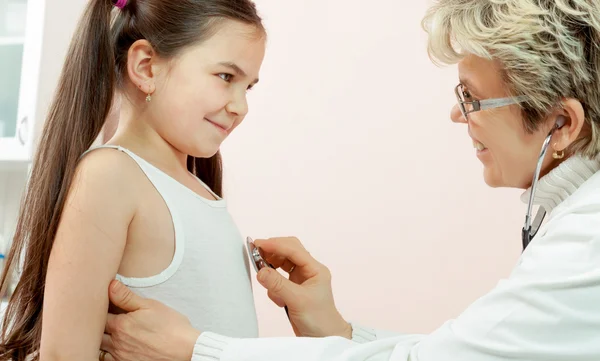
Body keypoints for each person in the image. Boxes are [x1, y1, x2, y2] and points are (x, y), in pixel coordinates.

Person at [100, 0, 600, 360]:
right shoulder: (111, 175)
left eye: (471, 97)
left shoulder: (588, 238)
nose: (456, 113)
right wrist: (334, 329)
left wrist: (196, 350)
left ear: (563, 124)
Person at [0, 0, 266, 360]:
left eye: (248, 87)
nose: (241, 106)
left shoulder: (199, 190)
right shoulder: (111, 177)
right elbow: (64, 354)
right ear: (145, 67)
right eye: (226, 77)